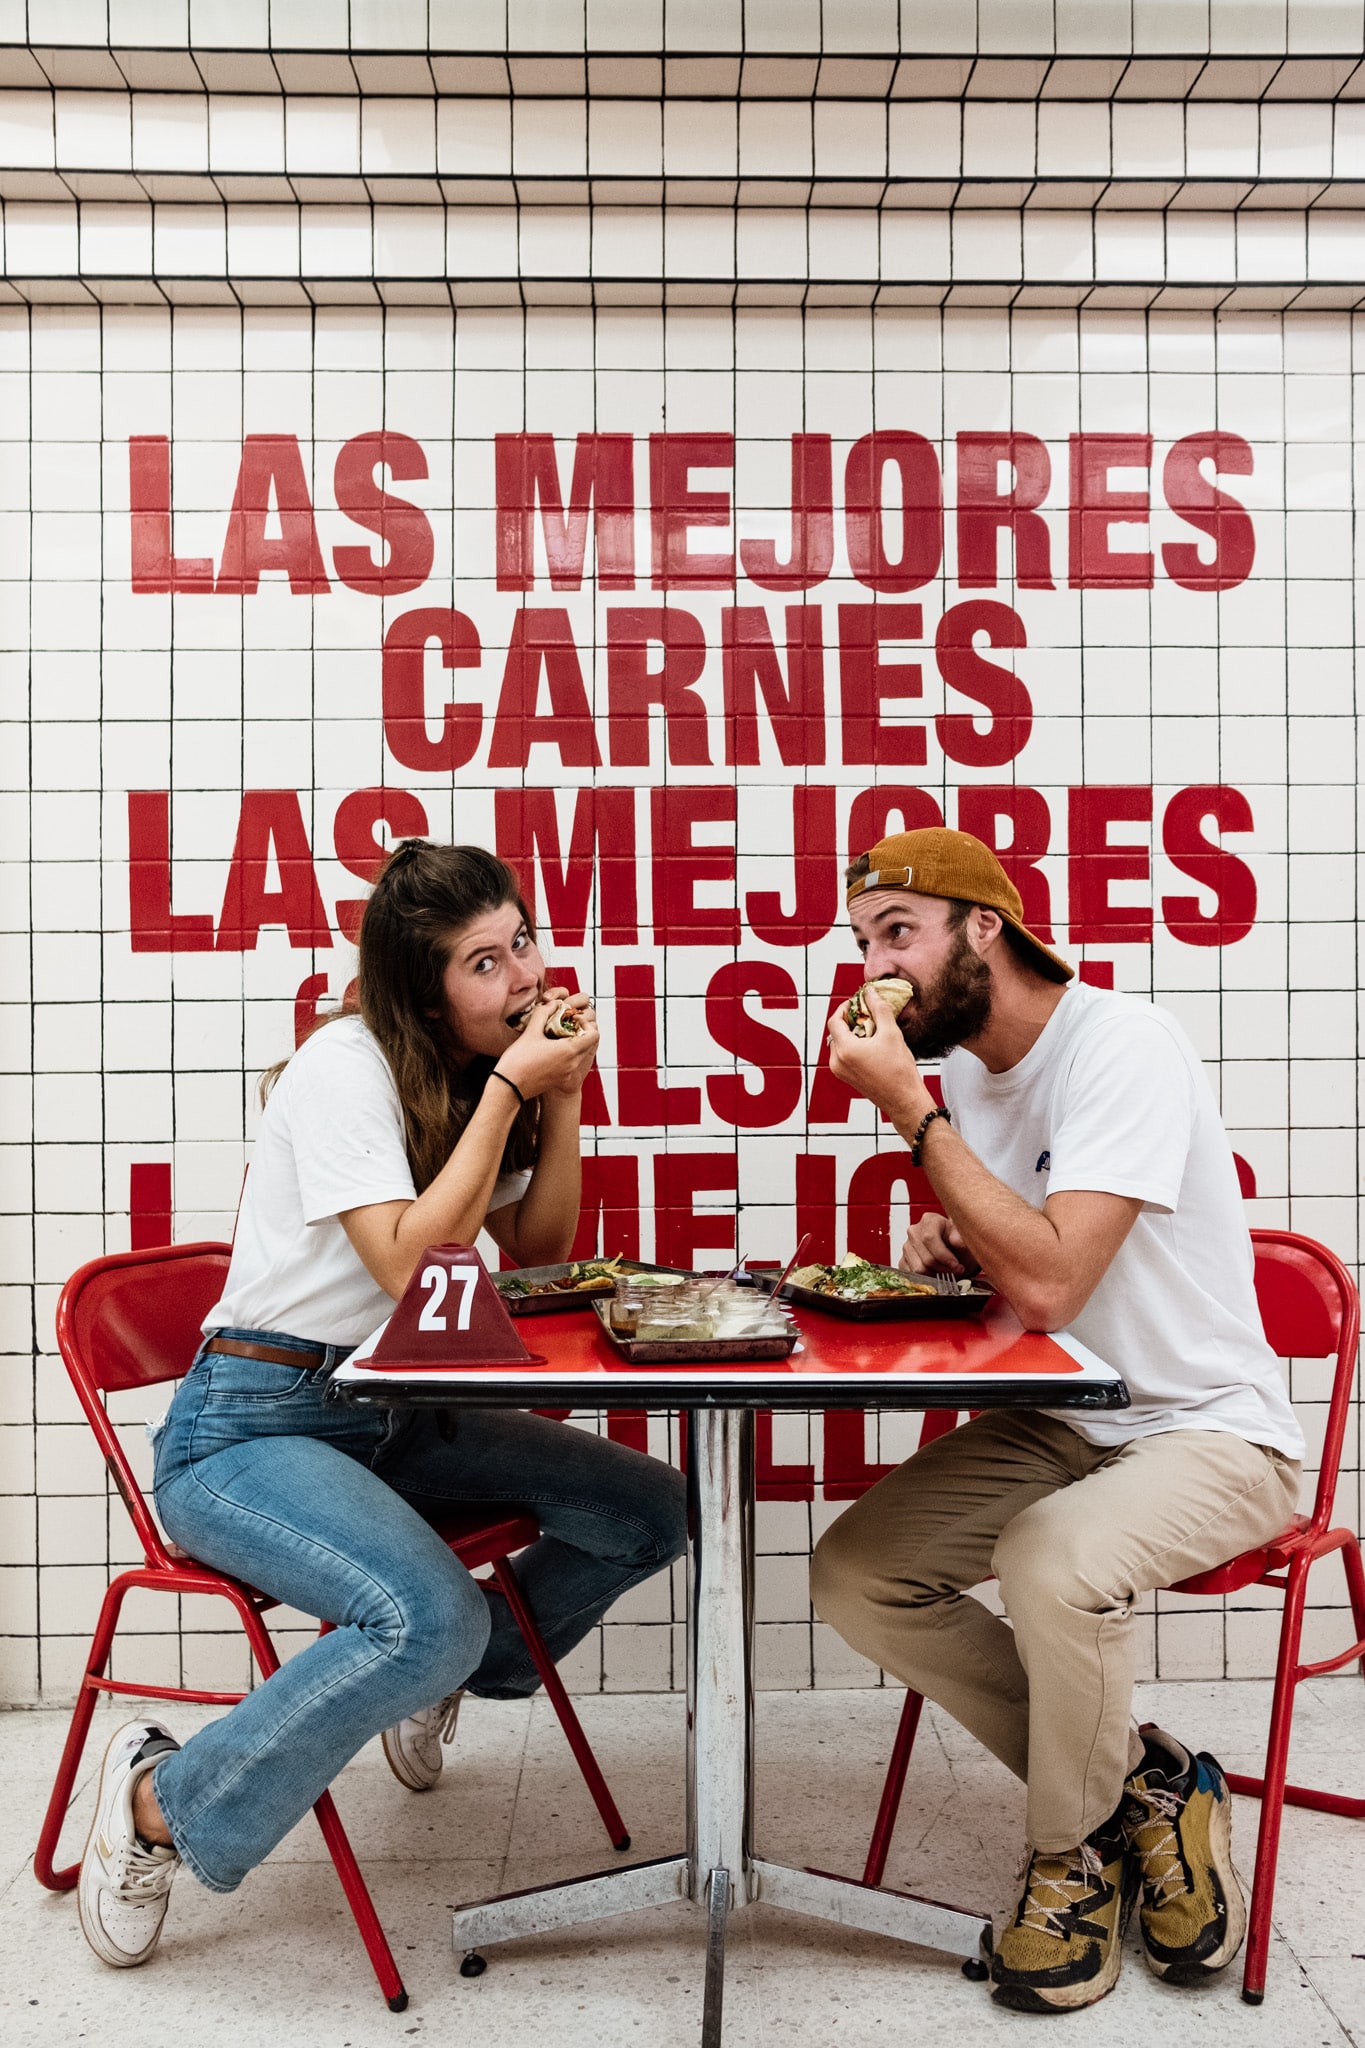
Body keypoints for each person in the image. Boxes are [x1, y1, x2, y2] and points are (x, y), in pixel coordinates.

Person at [77, 841, 687, 1971]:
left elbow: (543, 1250)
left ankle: (431, 1672)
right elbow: (413, 1266)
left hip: (391, 1413)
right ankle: (161, 1797)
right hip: (249, 1424)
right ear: (422, 987)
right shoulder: (341, 1067)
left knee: (649, 1509)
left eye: (523, 943)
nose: (524, 977)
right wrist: (515, 1088)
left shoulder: (469, 1074)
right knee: (429, 1616)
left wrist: (565, 1097)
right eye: (485, 961)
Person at [809, 827, 1304, 2015]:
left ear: (983, 927)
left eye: (898, 935)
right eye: (864, 941)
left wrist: (912, 1119)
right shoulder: (975, 1077)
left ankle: (1067, 1865)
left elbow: (1054, 1282)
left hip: (1210, 1428)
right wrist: (948, 1238)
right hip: (1074, 1418)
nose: (876, 966)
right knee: (858, 1570)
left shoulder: (1120, 1044)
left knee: (1050, 1560)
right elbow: (1021, 1272)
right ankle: (1148, 1789)